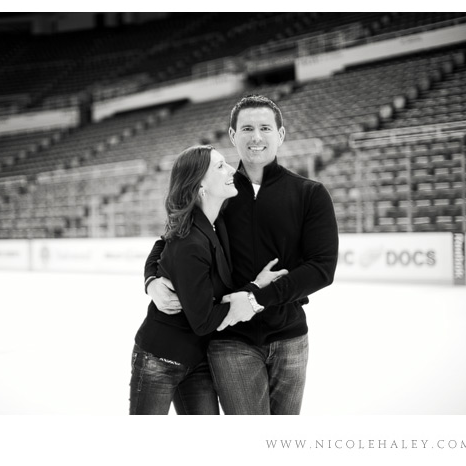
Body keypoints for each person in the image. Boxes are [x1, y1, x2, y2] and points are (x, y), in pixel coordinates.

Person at [145, 95, 338, 415]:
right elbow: (170, 240)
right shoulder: (217, 190)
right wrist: (151, 278)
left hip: (290, 336)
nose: (257, 136)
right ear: (233, 136)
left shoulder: (310, 193)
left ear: (281, 135)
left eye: (265, 128)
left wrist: (257, 297)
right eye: (247, 128)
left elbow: (322, 268)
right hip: (230, 340)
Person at [130, 145, 288, 415]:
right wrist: (254, 294)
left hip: (198, 359)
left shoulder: (216, 220)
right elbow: (203, 321)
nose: (231, 171)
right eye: (220, 166)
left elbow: (162, 242)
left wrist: (150, 279)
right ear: (200, 184)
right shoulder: (190, 239)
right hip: (160, 358)